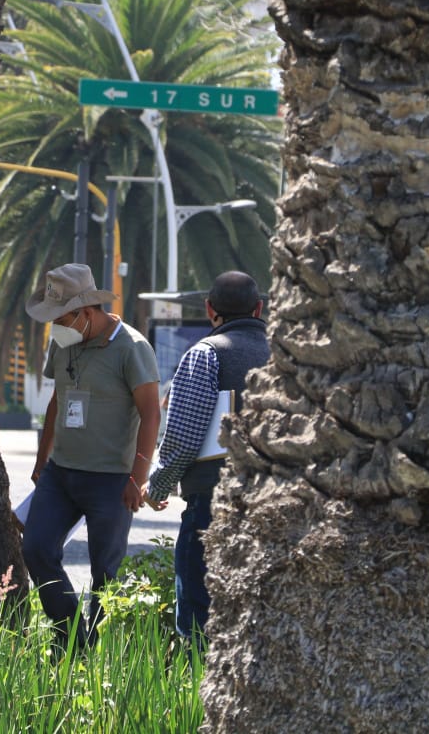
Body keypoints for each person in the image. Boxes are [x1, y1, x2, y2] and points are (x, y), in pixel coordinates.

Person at [22, 262, 161, 648]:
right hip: (61, 473)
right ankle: (69, 637)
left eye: (61, 318)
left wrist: (138, 478)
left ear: (87, 312)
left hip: (112, 481)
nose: (56, 326)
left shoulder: (132, 348)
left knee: (105, 575)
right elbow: (56, 401)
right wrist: (40, 461)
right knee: (35, 548)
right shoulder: (63, 341)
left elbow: (152, 414)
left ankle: (94, 657)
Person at [142, 270, 269, 642]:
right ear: (259, 308)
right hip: (280, 503)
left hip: (213, 502)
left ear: (209, 309)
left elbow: (184, 435)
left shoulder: (205, 355)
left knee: (200, 615)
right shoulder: (285, 357)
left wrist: (159, 486)